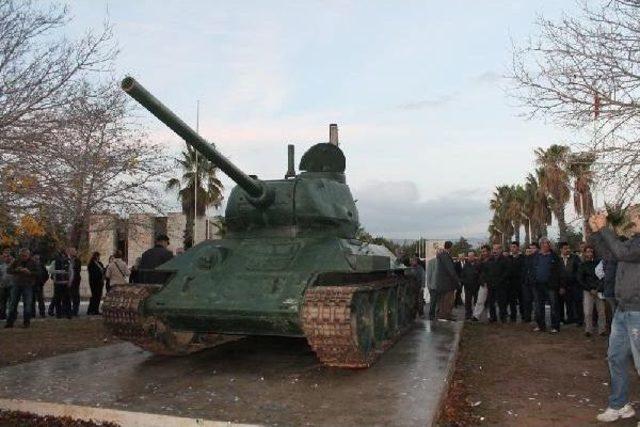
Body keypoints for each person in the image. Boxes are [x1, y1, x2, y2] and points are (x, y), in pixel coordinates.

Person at [590, 212, 640, 422]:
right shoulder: (632, 242)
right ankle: (619, 405)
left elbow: (620, 252)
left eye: (638, 214)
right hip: (622, 310)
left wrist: (604, 229)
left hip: (638, 312)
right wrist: (596, 233)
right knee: (615, 357)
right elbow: (610, 254)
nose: (634, 218)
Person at [533, 237, 562, 333]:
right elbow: (532, 269)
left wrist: (561, 285)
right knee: (538, 306)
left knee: (554, 306)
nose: (547, 245)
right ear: (541, 245)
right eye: (545, 243)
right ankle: (540, 325)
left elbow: (559, 271)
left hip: (551, 285)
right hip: (538, 285)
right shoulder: (536, 256)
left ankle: (555, 326)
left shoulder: (554, 256)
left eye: (548, 243)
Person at [5, 248, 38, 328]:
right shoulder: (16, 261)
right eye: (21, 255)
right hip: (16, 284)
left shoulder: (33, 262)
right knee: (13, 304)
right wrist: (16, 270)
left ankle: (26, 323)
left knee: (27, 304)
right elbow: (8, 270)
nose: (23, 257)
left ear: (28, 255)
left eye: (25, 256)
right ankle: (10, 322)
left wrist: (29, 272)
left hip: (28, 285)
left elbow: (38, 273)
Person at [578, 245, 606, 337]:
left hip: (599, 290)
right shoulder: (582, 265)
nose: (590, 253)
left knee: (601, 311)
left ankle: (602, 330)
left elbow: (602, 277)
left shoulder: (599, 263)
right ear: (585, 253)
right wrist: (590, 289)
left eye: (591, 251)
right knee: (587, 312)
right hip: (588, 291)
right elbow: (580, 279)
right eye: (588, 251)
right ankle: (588, 330)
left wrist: (598, 288)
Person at [484, 243, 510, 323]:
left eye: (496, 249)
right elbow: (486, 272)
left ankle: (503, 317)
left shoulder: (505, 260)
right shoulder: (490, 260)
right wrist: (488, 281)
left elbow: (507, 272)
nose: (494, 251)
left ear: (500, 250)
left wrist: (500, 281)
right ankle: (493, 317)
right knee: (491, 302)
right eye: (494, 249)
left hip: (501, 285)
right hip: (491, 285)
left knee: (502, 302)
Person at [433, 241, 460, 321]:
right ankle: (446, 317)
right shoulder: (445, 255)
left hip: (441, 283)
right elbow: (450, 270)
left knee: (442, 302)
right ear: (450, 247)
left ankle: (443, 317)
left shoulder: (441, 255)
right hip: (447, 284)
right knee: (448, 301)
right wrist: (457, 281)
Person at [559, 242, 583, 326]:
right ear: (561, 249)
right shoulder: (558, 259)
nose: (567, 250)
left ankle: (580, 320)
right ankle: (570, 318)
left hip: (575, 284)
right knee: (568, 302)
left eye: (568, 248)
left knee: (577, 303)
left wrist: (575, 278)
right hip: (564, 286)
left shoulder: (575, 258)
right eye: (565, 248)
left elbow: (579, 270)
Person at [472, 245, 492, 321]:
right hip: (483, 283)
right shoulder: (480, 261)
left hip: (491, 283)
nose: (483, 253)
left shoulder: (492, 260)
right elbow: (476, 271)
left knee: (491, 301)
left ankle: (490, 316)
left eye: (484, 251)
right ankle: (476, 316)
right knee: (480, 300)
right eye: (482, 252)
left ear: (488, 251)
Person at [52, 248, 72, 319]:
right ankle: (59, 314)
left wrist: (70, 281)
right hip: (58, 282)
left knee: (67, 299)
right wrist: (60, 272)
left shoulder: (68, 262)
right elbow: (52, 271)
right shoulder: (55, 262)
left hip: (65, 282)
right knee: (58, 299)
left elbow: (71, 272)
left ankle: (68, 314)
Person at [507, 241, 524, 322]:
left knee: (522, 301)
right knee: (512, 301)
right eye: (511, 247)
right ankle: (513, 316)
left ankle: (524, 316)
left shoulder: (523, 257)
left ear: (518, 247)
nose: (512, 248)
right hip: (511, 283)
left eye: (514, 246)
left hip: (521, 283)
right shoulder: (508, 258)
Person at [521, 243, 538, 323]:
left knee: (537, 300)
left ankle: (537, 317)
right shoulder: (525, 258)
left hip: (535, 282)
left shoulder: (538, 258)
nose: (531, 250)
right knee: (527, 300)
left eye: (533, 248)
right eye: (530, 249)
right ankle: (527, 317)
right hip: (526, 282)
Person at [460, 251, 480, 320]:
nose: (470, 257)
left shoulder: (478, 265)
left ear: (474, 256)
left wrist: (478, 283)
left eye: (471, 256)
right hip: (467, 287)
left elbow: (480, 275)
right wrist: (464, 282)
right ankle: (468, 314)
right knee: (468, 302)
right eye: (469, 256)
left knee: (476, 301)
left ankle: (476, 315)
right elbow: (462, 275)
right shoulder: (466, 265)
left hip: (476, 286)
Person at [67, 247, 81, 316]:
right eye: (72, 251)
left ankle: (75, 310)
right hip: (68, 280)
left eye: (74, 251)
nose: (74, 252)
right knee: (69, 296)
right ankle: (68, 310)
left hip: (75, 280)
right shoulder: (68, 260)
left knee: (75, 296)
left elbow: (77, 270)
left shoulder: (77, 260)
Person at [0, 250, 13, 320]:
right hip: (3, 286)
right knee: (2, 301)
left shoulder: (14, 265)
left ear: (10, 257)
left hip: (12, 286)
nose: (6, 258)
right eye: (4, 256)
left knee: (12, 301)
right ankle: (2, 314)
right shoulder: (1, 266)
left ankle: (12, 314)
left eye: (7, 256)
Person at [426, 253, 439, 320]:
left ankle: (438, 314)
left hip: (441, 286)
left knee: (439, 302)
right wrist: (429, 285)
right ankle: (431, 315)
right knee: (433, 301)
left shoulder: (443, 262)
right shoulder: (431, 262)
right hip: (433, 286)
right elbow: (429, 274)